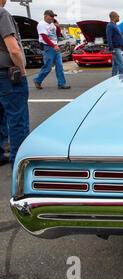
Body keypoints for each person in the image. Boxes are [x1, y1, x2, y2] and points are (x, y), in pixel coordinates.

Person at [0, 0, 29, 167]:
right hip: (7, 75)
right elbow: (13, 49)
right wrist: (22, 71)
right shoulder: (2, 14)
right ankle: (19, 163)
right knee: (17, 120)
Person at [33, 10, 70, 89]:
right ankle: (37, 80)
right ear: (46, 16)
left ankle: (61, 84)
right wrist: (53, 46)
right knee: (48, 67)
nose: (52, 18)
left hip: (54, 46)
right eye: (51, 16)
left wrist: (57, 26)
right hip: (47, 47)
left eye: (53, 16)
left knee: (59, 66)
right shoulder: (42, 24)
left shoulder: (53, 25)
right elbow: (44, 37)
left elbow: (58, 34)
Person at [106, 11, 123, 76]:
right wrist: (111, 48)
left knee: (115, 64)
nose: (119, 17)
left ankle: (113, 77)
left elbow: (119, 36)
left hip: (119, 48)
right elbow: (109, 37)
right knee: (121, 63)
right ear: (113, 17)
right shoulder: (110, 26)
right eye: (117, 16)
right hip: (115, 48)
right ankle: (121, 78)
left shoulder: (115, 25)